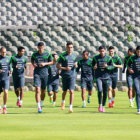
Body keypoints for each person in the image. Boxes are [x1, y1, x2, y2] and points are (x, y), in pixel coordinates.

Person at [31, 42, 53, 113]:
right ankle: (38, 107)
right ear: (37, 47)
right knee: (37, 89)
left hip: (45, 74)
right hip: (37, 74)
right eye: (39, 48)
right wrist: (33, 64)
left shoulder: (47, 54)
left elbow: (52, 62)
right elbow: (32, 60)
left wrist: (45, 63)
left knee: (43, 91)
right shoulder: (34, 54)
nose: (40, 49)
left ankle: (41, 104)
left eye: (41, 47)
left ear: (44, 47)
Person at [56, 41, 77, 113]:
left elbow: (75, 63)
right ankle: (63, 101)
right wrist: (65, 68)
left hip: (72, 75)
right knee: (64, 91)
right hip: (65, 75)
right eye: (69, 47)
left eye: (71, 47)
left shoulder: (74, 56)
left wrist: (76, 65)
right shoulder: (62, 56)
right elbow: (57, 66)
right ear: (66, 48)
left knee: (71, 91)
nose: (70, 49)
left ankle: (71, 107)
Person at [92, 46, 113, 112]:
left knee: (105, 93)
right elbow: (92, 65)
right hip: (99, 77)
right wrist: (94, 67)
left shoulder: (109, 58)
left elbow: (112, 66)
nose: (102, 52)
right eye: (100, 51)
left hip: (106, 77)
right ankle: (100, 105)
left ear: (105, 51)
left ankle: (103, 106)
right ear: (99, 51)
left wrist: (107, 67)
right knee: (100, 90)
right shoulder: (96, 58)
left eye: (103, 51)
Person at [128, 46, 140, 114]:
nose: (139, 53)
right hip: (136, 77)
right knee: (138, 92)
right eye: (138, 52)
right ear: (136, 51)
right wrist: (130, 69)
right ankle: (138, 109)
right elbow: (128, 64)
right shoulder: (132, 57)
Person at [0, 47, 11, 114]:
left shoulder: (8, 59)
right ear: (0, 52)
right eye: (3, 52)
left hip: (6, 78)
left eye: (5, 52)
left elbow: (10, 66)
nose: (4, 53)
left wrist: (11, 71)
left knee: (6, 92)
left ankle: (4, 107)